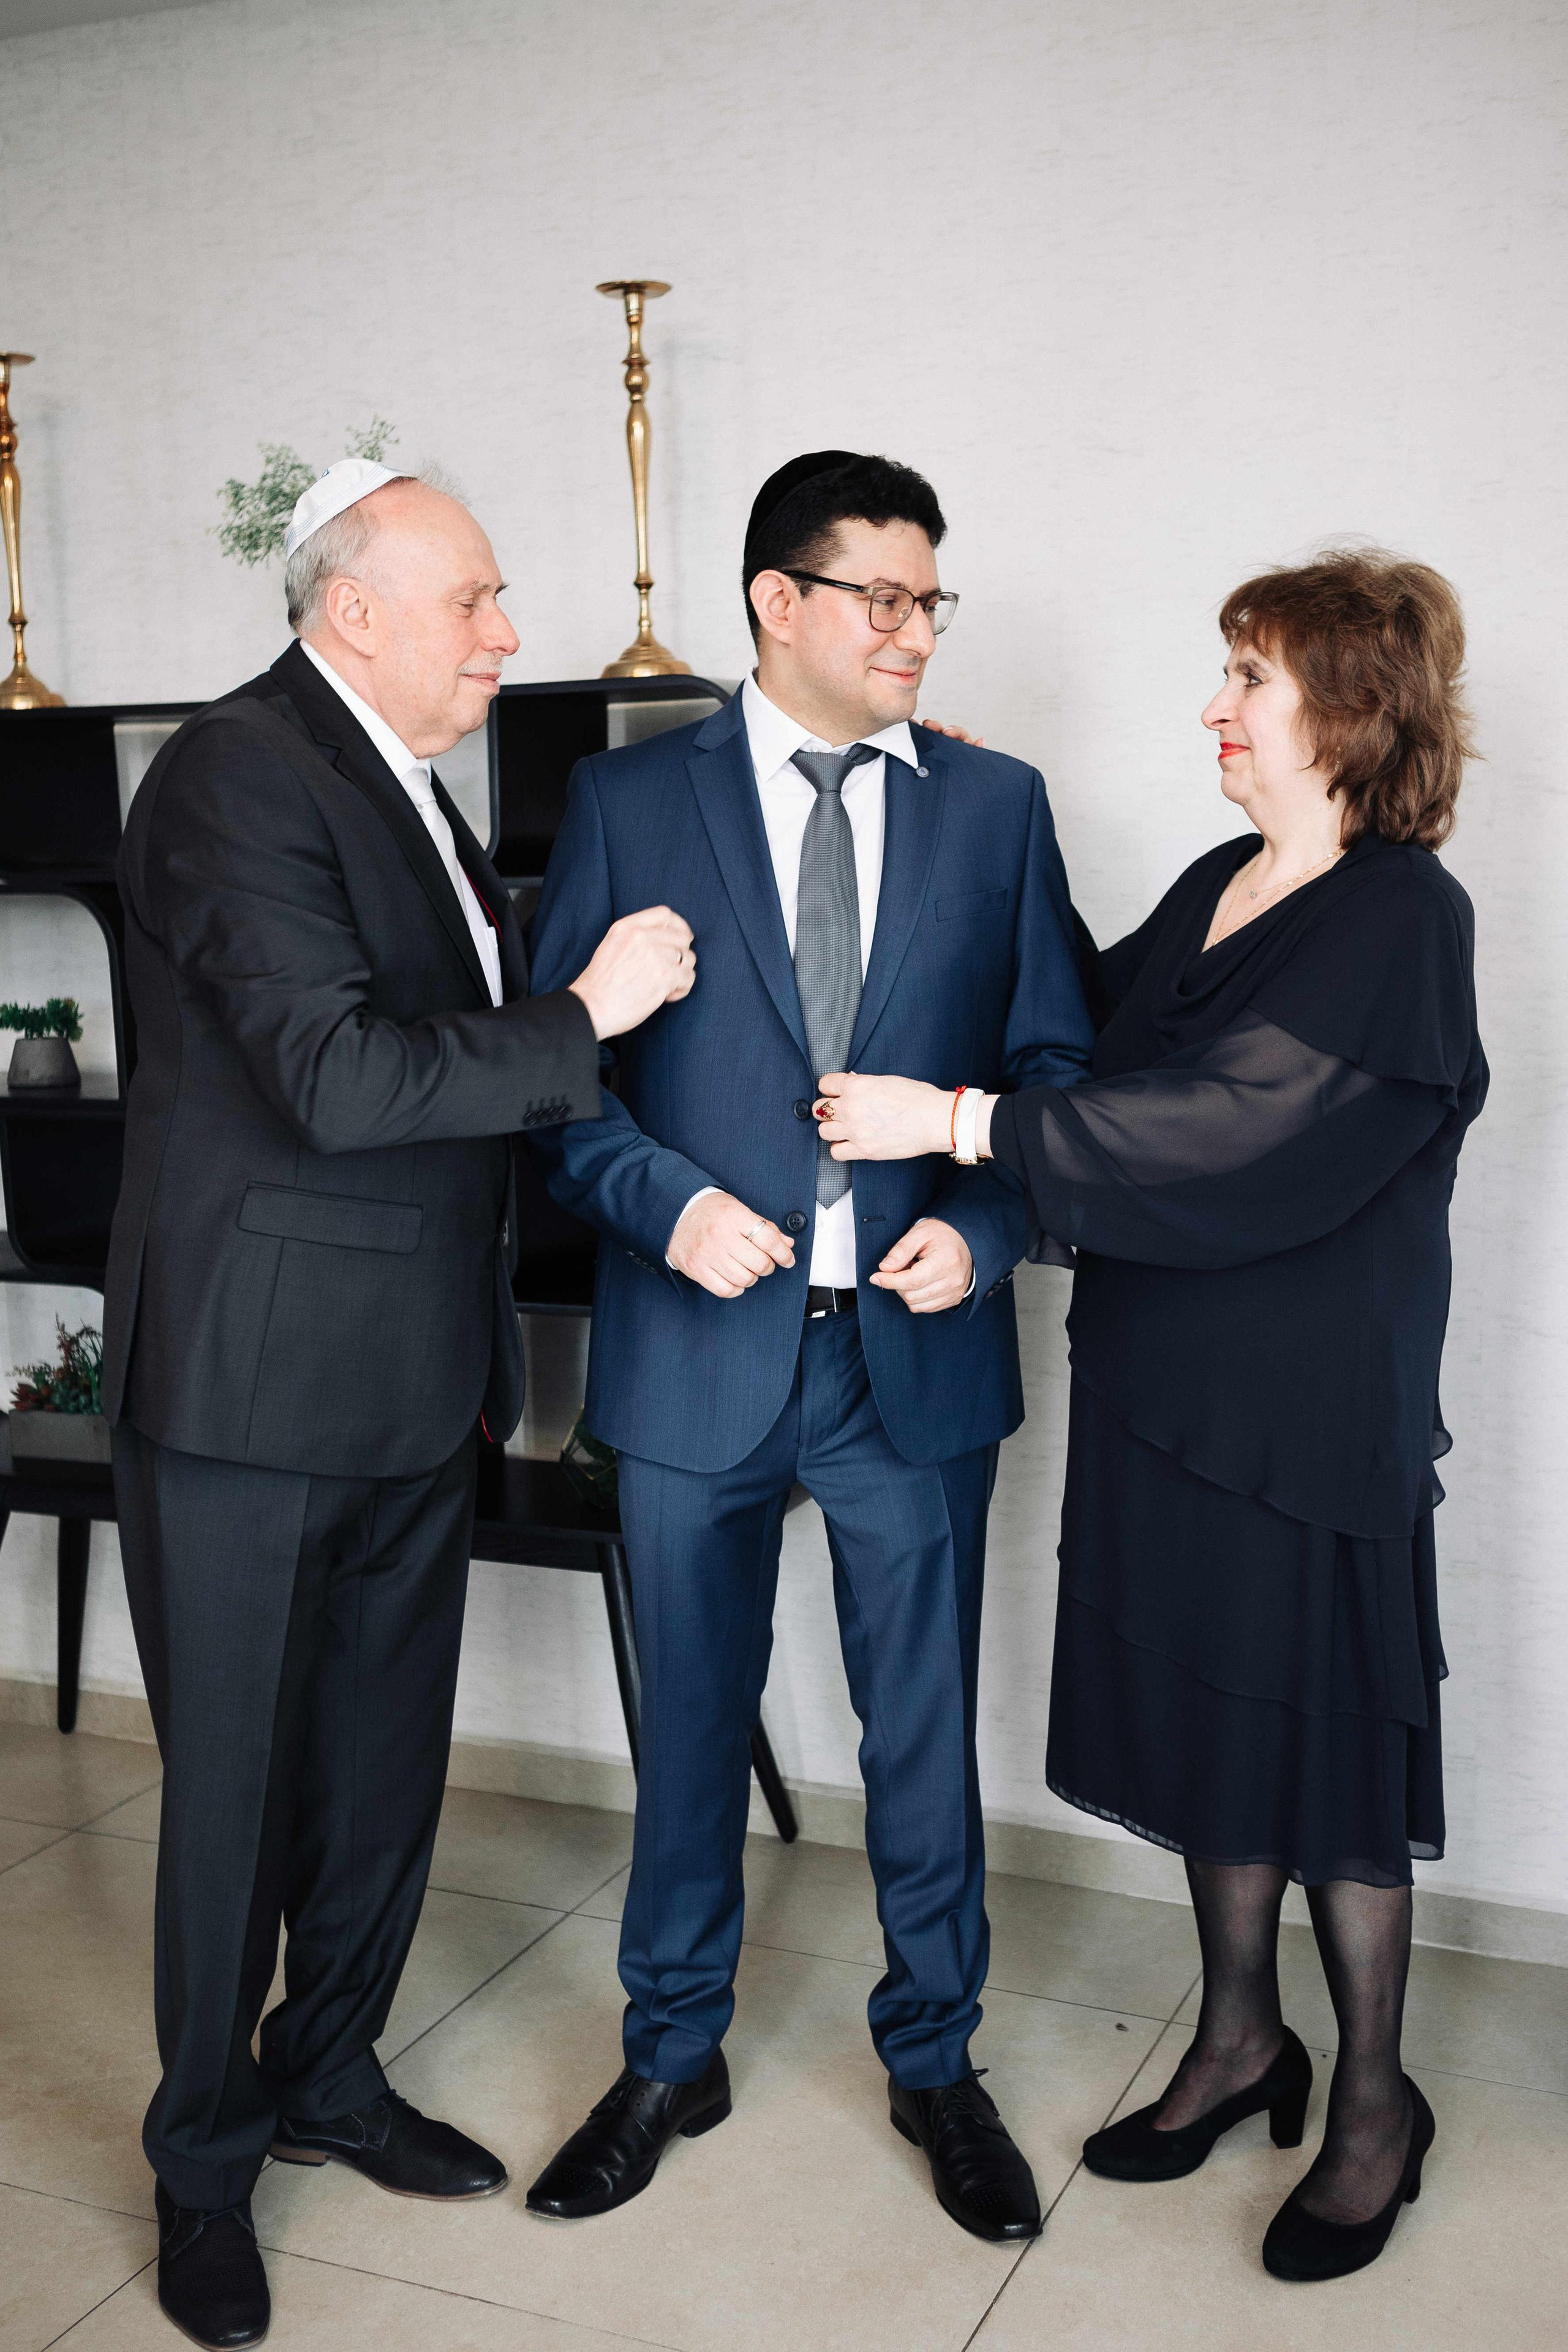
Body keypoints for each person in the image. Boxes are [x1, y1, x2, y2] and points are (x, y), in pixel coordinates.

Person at [816, 548, 1486, 2283]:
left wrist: (954, 1133)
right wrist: (949, 810)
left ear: (1348, 709)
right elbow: (1075, 1039)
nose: (1215, 708)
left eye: (1246, 682)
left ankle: (1375, 2107)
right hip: (1162, 1385)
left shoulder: (1406, 914)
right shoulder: (1218, 882)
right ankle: (1241, 2041)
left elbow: (1233, 1133)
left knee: (1321, 1751)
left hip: (1304, 1412)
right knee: (1208, 1718)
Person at [104, 458, 693, 2350]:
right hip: (255, 1393)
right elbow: (343, 1080)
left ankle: (331, 2079)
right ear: (355, 608)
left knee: (378, 1782)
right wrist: (589, 1013)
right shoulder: (231, 774)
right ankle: (204, 2164)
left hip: (419, 1383)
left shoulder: (409, 789)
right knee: (236, 1811)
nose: (508, 636)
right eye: (478, 601)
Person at [522, 451, 1094, 2241]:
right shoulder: (631, 803)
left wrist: (985, 1224)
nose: (919, 630)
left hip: (908, 1362)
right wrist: (665, 1204)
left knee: (920, 1734)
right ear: (778, 602)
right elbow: (558, 1081)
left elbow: (1060, 1076)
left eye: (935, 599)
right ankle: (669, 2051)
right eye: (885, 598)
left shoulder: (997, 808)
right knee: (688, 1723)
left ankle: (938, 2063)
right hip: (696, 1342)